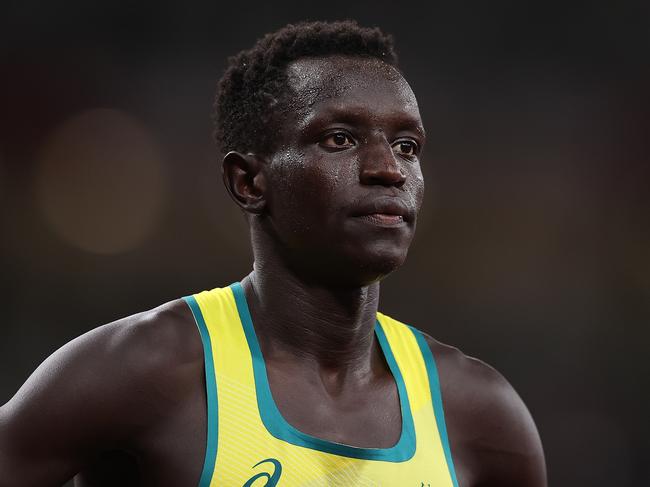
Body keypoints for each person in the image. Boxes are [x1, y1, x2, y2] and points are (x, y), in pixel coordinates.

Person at [0, 20, 546, 487]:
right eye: (339, 139)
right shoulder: (144, 372)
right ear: (249, 181)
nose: (388, 169)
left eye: (407, 146)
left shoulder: (480, 416)